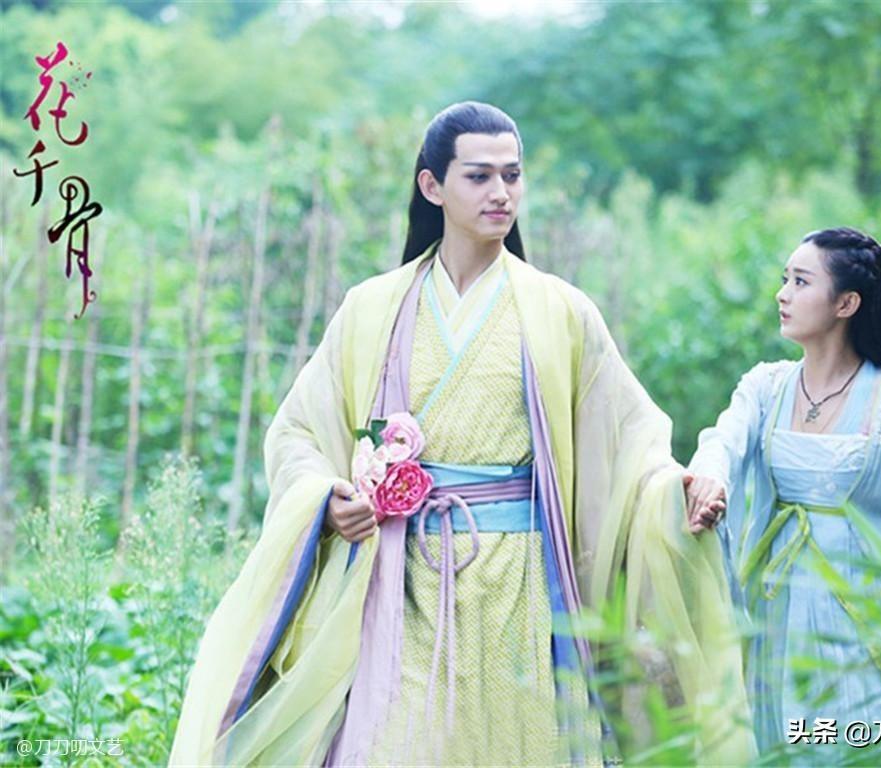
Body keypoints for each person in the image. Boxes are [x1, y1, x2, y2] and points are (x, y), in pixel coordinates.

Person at [169, 101, 752, 766]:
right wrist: (326, 498)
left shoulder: (562, 311)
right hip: (401, 579)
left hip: (522, 585)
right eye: (479, 176)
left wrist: (674, 489)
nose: (501, 192)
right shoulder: (373, 308)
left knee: (519, 744)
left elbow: (630, 442)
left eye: (513, 175)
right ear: (432, 186)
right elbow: (299, 431)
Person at [685, 227, 881, 755]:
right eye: (785, 279)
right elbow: (723, 440)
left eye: (801, 281)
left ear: (846, 303)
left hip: (870, 633)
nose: (782, 295)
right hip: (780, 623)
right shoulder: (766, 388)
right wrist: (710, 477)